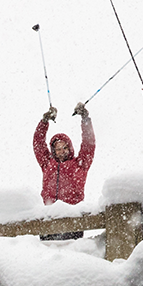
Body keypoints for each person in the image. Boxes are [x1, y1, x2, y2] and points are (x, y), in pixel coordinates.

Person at [33, 102, 98, 240]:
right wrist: (44, 121)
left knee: (71, 256)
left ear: (69, 148)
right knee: (46, 255)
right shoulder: (47, 164)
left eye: (64, 147)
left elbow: (89, 143)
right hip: (49, 219)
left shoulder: (80, 164)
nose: (61, 151)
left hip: (73, 218)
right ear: (53, 151)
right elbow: (38, 143)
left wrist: (85, 119)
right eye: (58, 148)